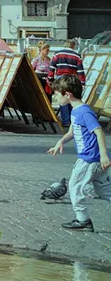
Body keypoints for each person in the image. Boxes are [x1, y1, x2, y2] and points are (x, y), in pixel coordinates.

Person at [49, 75, 111, 232]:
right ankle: (83, 220)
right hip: (94, 160)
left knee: (75, 185)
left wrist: (103, 155)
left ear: (67, 94)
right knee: (104, 189)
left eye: (57, 94)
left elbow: (99, 132)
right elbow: (71, 132)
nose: (56, 97)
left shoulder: (84, 112)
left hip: (89, 160)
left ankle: (82, 220)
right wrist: (60, 142)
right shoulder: (76, 111)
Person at [52, 47, 87, 129]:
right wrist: (82, 83)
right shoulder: (76, 56)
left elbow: (52, 67)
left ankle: (66, 121)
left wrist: (50, 79)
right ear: (73, 46)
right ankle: (72, 119)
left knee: (63, 100)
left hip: (60, 78)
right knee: (72, 99)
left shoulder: (57, 54)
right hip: (72, 79)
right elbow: (80, 71)